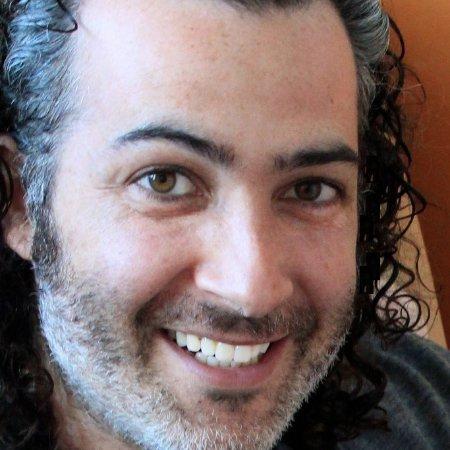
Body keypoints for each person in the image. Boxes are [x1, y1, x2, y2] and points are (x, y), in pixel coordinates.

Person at [0, 0, 448, 449]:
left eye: (310, 189)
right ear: (22, 203)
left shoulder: (426, 407)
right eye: (164, 181)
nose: (251, 292)